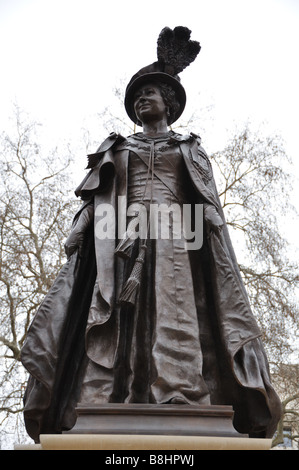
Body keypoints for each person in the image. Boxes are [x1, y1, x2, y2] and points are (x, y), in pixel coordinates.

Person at [21, 27, 281, 443]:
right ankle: (108, 394)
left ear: (169, 104)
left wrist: (213, 232)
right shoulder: (117, 147)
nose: (143, 100)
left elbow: (206, 200)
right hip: (120, 237)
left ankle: (179, 393)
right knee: (114, 314)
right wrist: (80, 229)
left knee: (176, 313)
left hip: (178, 237)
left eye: (151, 94)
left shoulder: (189, 147)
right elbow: (95, 197)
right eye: (138, 96)